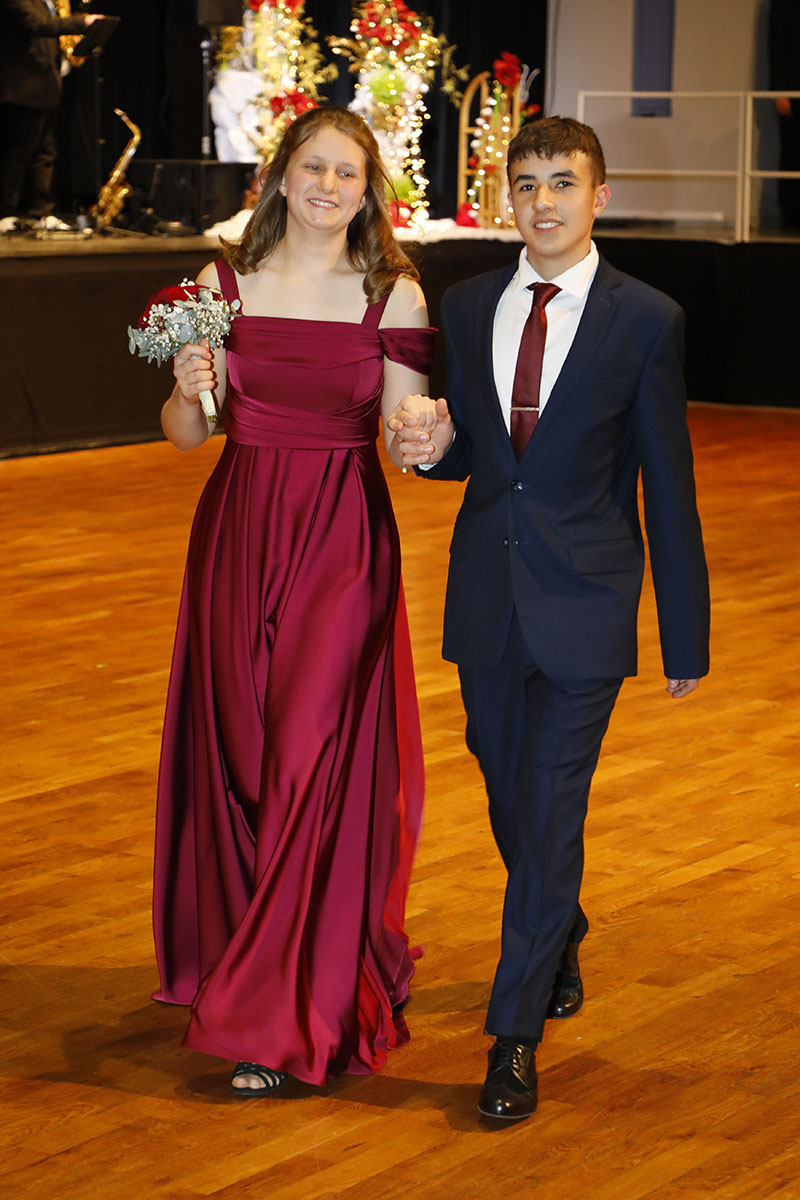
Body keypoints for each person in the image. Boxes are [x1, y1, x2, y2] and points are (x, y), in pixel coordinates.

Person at [388, 116, 710, 1122]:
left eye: (562, 183)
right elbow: (481, 458)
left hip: (586, 603)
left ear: (597, 197)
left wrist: (684, 633)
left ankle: (512, 1036)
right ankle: (558, 920)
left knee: (551, 801)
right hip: (487, 595)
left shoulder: (644, 319)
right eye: (525, 184)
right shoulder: (469, 303)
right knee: (505, 784)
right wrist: (428, 450)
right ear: (507, 198)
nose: (542, 202)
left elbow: (667, 484)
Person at [152, 105, 434, 1097]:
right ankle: (249, 961)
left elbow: (403, 438)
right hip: (237, 533)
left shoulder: (392, 292)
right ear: (278, 176)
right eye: (312, 167)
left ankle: (281, 1018)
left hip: (342, 544)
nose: (327, 185)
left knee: (310, 755)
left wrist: (424, 434)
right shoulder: (218, 284)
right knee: (243, 757)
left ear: (367, 191)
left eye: (347, 173)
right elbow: (188, 433)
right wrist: (186, 385)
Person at [0, 0, 105, 233]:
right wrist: (81, 22)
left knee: (46, 152)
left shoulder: (49, 2)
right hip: (22, 86)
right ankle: (5, 212)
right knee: (18, 152)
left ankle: (42, 211)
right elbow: (38, 23)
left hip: (46, 85)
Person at [769, 0, 800, 229]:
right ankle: (791, 211)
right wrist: (779, 92)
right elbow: (777, 47)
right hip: (792, 91)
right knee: (792, 150)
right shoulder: (784, 4)